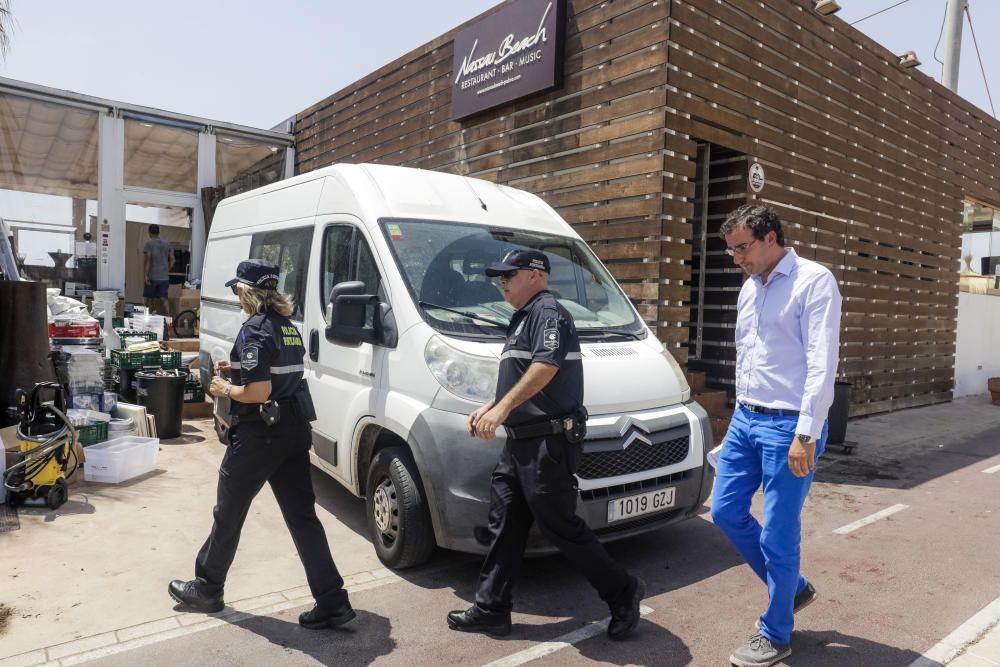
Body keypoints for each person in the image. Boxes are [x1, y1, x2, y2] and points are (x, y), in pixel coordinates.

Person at [446, 249, 644, 640]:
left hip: (546, 444)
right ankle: (491, 608)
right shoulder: (522, 318)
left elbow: (546, 367)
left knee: (561, 527)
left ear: (536, 275)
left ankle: (623, 592)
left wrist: (501, 409)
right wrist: (491, 404)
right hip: (519, 444)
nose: (502, 282)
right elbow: (520, 379)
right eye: (499, 277)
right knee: (504, 525)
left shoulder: (549, 312)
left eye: (509, 275)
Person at [168, 258, 355, 630]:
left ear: (248, 291)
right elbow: (279, 376)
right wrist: (236, 369)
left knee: (229, 513)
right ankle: (332, 600)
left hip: (259, 437)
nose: (236, 297)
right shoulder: (288, 328)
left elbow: (258, 391)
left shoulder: (253, 331)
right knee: (303, 519)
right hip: (293, 432)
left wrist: (226, 387)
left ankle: (207, 587)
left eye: (237, 290)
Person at [710, 204, 842, 667]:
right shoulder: (750, 290)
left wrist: (807, 431)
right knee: (725, 512)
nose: (736, 258)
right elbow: (748, 358)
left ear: (771, 239)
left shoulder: (814, 281)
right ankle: (794, 589)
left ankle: (776, 631)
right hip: (747, 420)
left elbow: (822, 363)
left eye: (742, 248)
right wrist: (734, 423)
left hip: (790, 424)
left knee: (778, 536)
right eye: (731, 251)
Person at [143, 224, 174, 316]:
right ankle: (169, 317)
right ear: (158, 232)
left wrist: (146, 275)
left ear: (149, 232)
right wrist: (167, 270)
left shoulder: (149, 244)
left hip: (153, 276)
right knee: (164, 298)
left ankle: (148, 317)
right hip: (164, 278)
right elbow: (173, 260)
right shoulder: (167, 243)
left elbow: (148, 260)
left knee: (148, 298)